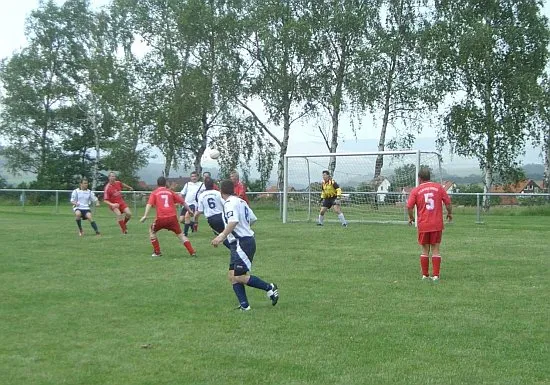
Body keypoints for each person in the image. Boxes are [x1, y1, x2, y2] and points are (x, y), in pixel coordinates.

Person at [211, 179, 279, 311]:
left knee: (239, 276)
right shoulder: (241, 201)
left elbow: (233, 221)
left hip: (242, 242)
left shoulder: (229, 203)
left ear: (221, 192)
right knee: (232, 275)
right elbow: (253, 218)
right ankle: (244, 306)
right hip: (239, 242)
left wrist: (221, 236)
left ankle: (270, 287)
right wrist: (244, 228)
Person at [406, 167, 452, 283]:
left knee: (425, 250)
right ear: (429, 177)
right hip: (437, 224)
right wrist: (449, 213)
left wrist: (411, 218)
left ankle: (425, 276)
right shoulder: (439, 188)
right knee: (436, 249)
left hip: (423, 225)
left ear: (419, 178)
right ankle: (436, 276)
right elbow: (448, 202)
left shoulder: (416, 190)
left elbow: (409, 206)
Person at [140, 176, 197, 257]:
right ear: (165, 183)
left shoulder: (155, 193)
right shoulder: (170, 192)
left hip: (161, 218)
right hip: (172, 218)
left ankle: (157, 252)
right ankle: (192, 251)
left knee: (152, 231)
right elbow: (182, 202)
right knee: (181, 235)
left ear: (157, 184)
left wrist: (145, 215)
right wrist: (190, 211)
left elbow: (149, 204)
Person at [193, 177, 229, 248]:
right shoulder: (218, 193)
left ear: (204, 185)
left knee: (222, 237)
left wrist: (195, 221)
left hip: (212, 219)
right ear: (213, 184)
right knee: (227, 234)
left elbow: (199, 211)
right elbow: (226, 204)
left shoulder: (202, 195)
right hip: (222, 216)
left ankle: (235, 250)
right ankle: (237, 248)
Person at [179, 171, 205, 235]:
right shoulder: (187, 184)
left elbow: (205, 193)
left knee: (187, 216)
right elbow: (182, 193)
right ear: (190, 177)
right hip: (186, 204)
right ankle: (192, 224)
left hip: (194, 204)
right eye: (192, 176)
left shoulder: (202, 184)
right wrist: (178, 199)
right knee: (181, 220)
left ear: (198, 177)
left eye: (195, 176)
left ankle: (185, 233)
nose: (194, 178)